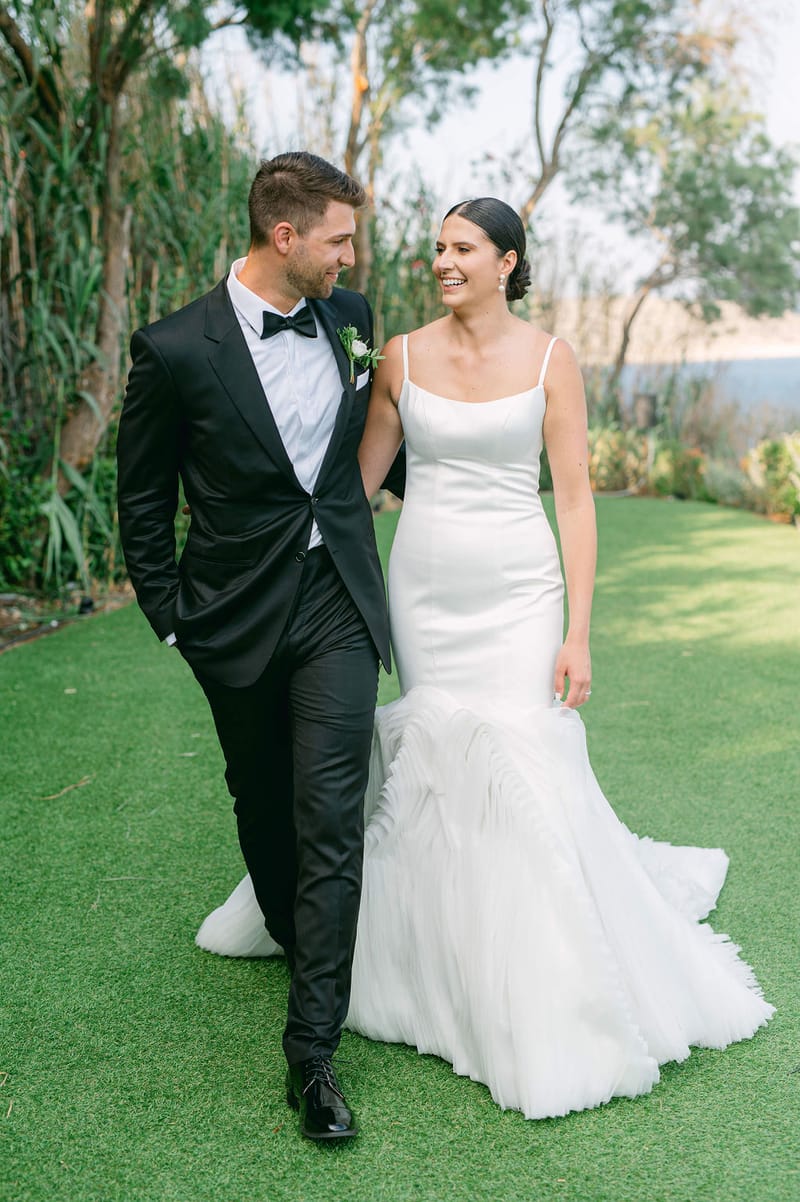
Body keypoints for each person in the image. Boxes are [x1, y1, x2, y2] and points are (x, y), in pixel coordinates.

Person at [195, 197, 774, 1120]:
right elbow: (353, 487)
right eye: (438, 247)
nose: (444, 261)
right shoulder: (398, 355)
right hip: (425, 592)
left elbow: (574, 499)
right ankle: (443, 956)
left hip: (521, 592)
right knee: (441, 759)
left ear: (508, 262)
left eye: (463, 248)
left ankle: (541, 973)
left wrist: (579, 630)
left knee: (522, 756)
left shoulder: (552, 361)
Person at [117, 151, 404, 1142]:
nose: (350, 257)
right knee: (263, 803)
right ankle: (291, 932)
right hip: (233, 615)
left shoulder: (350, 317)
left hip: (335, 604)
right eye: (338, 239)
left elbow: (371, 449)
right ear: (285, 237)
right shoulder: (174, 349)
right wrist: (173, 617)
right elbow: (142, 497)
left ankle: (312, 1055)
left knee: (330, 814)